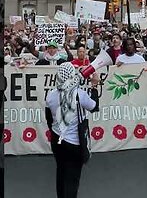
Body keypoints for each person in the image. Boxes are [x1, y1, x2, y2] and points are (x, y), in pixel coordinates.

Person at [45, 62, 99, 198]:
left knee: (61, 173)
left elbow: (49, 120)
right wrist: (94, 87)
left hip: (57, 141)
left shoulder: (50, 96)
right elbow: (94, 106)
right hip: (74, 144)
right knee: (72, 179)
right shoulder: (79, 94)